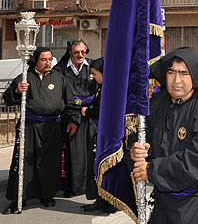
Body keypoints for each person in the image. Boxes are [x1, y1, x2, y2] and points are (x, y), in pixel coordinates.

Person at [129, 47, 198, 224]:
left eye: (184, 73)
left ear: (194, 75)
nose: (176, 80)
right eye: (171, 72)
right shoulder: (157, 102)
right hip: (165, 200)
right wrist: (136, 149)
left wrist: (153, 170)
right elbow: (141, 133)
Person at [2, 47, 79, 214]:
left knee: (49, 163)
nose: (48, 63)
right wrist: (17, 90)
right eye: (44, 60)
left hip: (52, 127)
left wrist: (73, 120)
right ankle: (19, 199)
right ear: (36, 61)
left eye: (50, 59)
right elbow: (7, 99)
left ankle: (47, 195)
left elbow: (69, 101)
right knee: (23, 163)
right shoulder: (24, 77)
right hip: (29, 126)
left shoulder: (59, 78)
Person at [54, 39, 95, 197]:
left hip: (90, 115)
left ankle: (89, 185)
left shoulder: (93, 66)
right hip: (70, 117)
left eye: (83, 52)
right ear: (70, 52)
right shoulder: (60, 69)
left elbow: (100, 89)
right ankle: (73, 186)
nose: (80, 55)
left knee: (90, 150)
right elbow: (60, 96)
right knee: (73, 152)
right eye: (76, 52)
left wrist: (87, 102)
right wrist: (71, 114)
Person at [80, 58, 116, 213]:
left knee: (104, 168)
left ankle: (108, 202)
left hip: (107, 136)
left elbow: (103, 110)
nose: (93, 77)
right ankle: (100, 199)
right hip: (100, 132)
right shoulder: (101, 87)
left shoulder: (110, 89)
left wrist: (87, 111)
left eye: (95, 73)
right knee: (96, 169)